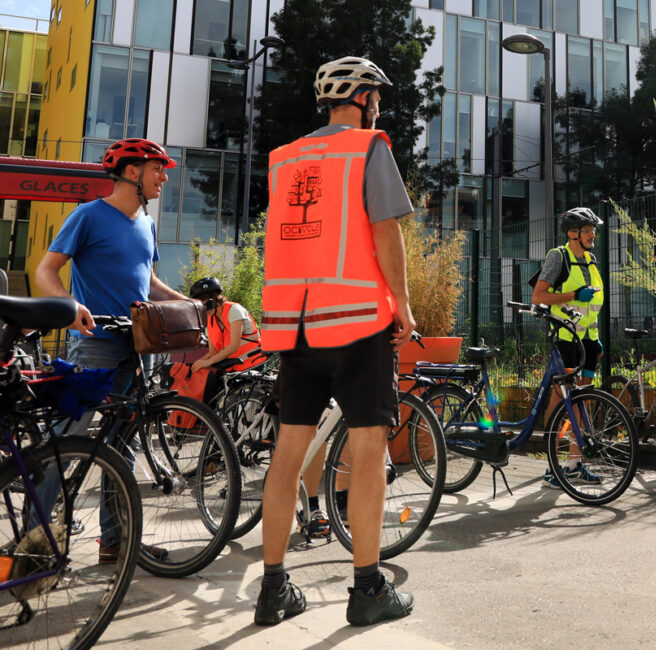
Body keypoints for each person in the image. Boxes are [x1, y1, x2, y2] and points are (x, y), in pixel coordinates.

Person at [255, 55, 417, 627]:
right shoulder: (369, 147)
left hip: (295, 326)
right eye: (378, 97)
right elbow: (385, 231)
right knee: (369, 452)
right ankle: (368, 589)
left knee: (288, 452)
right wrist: (403, 304)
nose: (380, 108)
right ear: (364, 98)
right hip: (358, 322)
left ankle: (273, 588)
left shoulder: (284, 159)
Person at [35, 137, 188, 562]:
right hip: (95, 343)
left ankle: (115, 540)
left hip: (138, 345)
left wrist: (189, 304)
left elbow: (149, 285)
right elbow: (46, 270)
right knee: (68, 439)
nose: (164, 176)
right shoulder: (89, 215)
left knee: (123, 445)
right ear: (132, 171)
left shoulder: (147, 223)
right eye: (158, 168)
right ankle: (32, 542)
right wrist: (70, 307)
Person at [530, 207, 605, 489]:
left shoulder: (591, 260)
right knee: (560, 400)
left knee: (582, 403)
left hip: (588, 340)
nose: (592, 235)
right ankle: (552, 467)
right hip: (565, 339)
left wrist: (595, 339)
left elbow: (592, 306)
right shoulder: (557, 257)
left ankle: (574, 465)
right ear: (573, 234)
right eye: (587, 230)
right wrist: (573, 295)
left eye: (593, 230)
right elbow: (539, 296)